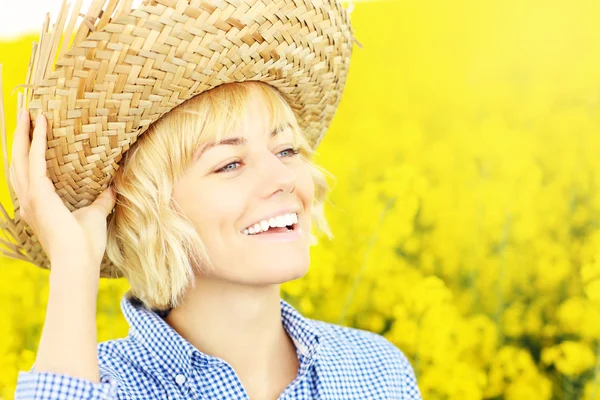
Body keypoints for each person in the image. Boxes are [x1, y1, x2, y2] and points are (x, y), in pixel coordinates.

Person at [3, 1, 422, 399]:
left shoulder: (378, 372)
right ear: (151, 208)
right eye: (230, 164)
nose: (281, 178)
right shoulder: (104, 385)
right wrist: (74, 270)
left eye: (286, 151)